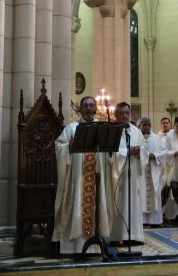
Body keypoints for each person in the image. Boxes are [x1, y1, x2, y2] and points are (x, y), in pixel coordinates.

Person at [52, 96, 113, 254]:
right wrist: (69, 147)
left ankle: (96, 247)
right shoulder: (72, 128)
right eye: (85, 106)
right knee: (77, 206)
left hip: (97, 180)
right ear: (80, 109)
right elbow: (59, 146)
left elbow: (110, 153)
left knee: (97, 208)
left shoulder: (102, 128)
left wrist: (111, 153)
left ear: (95, 109)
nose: (88, 108)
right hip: (77, 180)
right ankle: (75, 248)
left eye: (91, 105)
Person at [109, 102, 145, 245]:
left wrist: (141, 152)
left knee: (134, 203)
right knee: (119, 202)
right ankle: (118, 236)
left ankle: (134, 235)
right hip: (118, 175)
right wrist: (127, 152)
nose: (124, 116)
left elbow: (145, 150)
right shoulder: (112, 131)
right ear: (115, 115)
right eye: (121, 113)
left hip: (133, 173)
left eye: (126, 113)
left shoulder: (136, 131)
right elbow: (109, 154)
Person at [139, 118, 167, 228]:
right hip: (141, 172)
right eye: (144, 124)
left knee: (154, 195)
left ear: (150, 125)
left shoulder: (157, 138)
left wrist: (154, 155)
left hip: (154, 171)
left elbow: (163, 151)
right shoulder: (137, 138)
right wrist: (145, 157)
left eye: (148, 124)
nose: (146, 126)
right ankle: (142, 221)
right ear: (140, 125)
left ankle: (155, 221)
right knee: (141, 194)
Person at [162, 117, 178, 223]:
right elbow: (164, 151)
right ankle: (171, 216)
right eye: (177, 126)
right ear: (174, 125)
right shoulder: (169, 136)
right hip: (172, 168)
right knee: (172, 191)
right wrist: (174, 153)